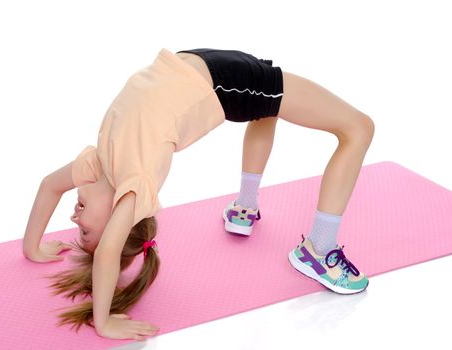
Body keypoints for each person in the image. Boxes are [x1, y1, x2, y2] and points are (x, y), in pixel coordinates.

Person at [22, 47, 374, 340]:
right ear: (119, 220)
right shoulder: (135, 183)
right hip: (224, 83)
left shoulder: (99, 165)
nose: (74, 218)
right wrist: (103, 321)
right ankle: (319, 249)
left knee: (266, 109)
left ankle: (245, 208)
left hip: (199, 64)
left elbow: (48, 185)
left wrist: (33, 248)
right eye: (84, 230)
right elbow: (108, 251)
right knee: (358, 128)